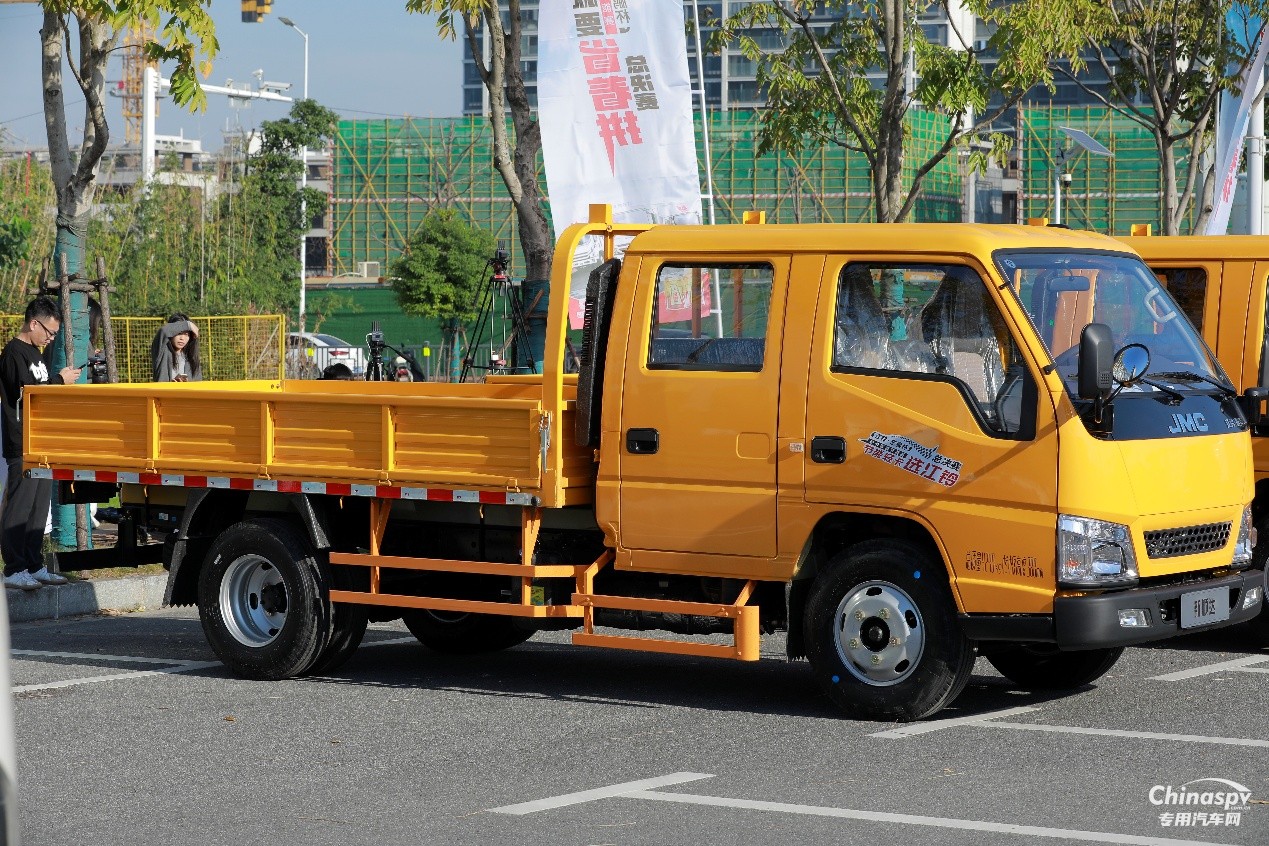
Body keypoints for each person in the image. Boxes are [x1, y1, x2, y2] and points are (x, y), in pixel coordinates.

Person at [1, 297, 81, 591]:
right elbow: (27, 393)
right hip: (22, 442)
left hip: (42, 441)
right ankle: (14, 568)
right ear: (33, 323)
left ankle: (34, 564)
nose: (50, 338)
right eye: (48, 331)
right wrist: (60, 380)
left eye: (54, 335)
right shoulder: (13, 353)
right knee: (20, 506)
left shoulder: (36, 354)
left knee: (38, 508)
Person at [151, 313, 201, 382]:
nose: (182, 338)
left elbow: (198, 383)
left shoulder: (191, 357)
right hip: (164, 392)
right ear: (172, 331)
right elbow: (163, 331)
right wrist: (188, 325)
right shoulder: (161, 351)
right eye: (179, 333)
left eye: (186, 334)